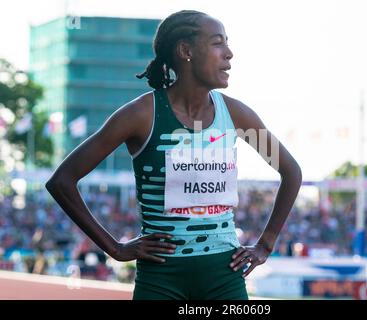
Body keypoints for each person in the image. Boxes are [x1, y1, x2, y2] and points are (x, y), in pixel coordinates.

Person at [46, 10, 302, 300]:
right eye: (218, 43)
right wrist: (115, 248)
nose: (229, 54)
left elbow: (291, 171)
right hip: (160, 279)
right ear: (186, 51)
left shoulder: (236, 115)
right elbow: (62, 181)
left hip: (224, 275)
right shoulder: (141, 115)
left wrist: (266, 244)